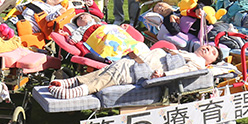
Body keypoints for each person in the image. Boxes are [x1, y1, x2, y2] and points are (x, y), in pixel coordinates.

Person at [47, 43, 222, 99]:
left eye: (213, 52)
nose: (209, 48)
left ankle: (71, 93)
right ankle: (70, 82)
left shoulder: (198, 64)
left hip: (140, 70)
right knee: (104, 72)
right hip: (135, 63)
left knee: (106, 78)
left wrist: (164, 75)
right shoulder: (187, 53)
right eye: (209, 46)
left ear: (211, 61)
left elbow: (184, 72)